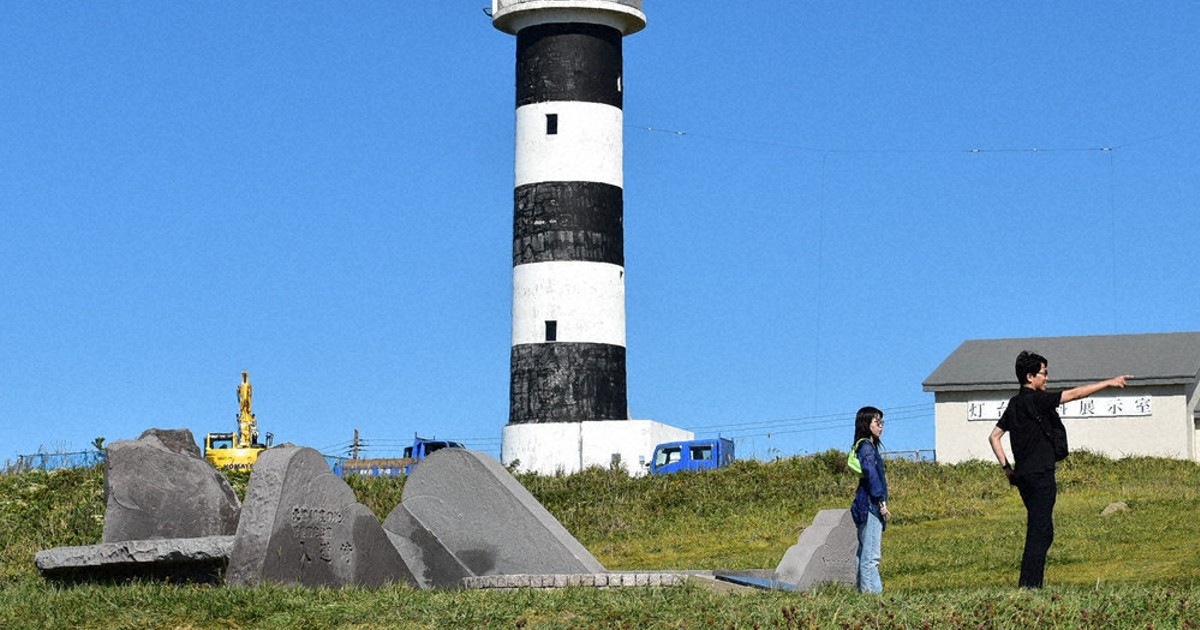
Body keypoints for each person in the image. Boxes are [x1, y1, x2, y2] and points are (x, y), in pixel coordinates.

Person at [988, 350, 1131, 589]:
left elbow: (994, 437)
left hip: (1023, 476)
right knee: (1039, 531)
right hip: (1042, 475)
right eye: (1044, 373)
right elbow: (1074, 394)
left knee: (1043, 530)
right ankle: (1029, 587)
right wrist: (1109, 382)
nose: (1047, 378)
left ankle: (1031, 584)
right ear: (1030, 376)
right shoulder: (1037, 400)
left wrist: (1007, 469)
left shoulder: (1014, 404)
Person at [850, 406, 890, 594]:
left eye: (882, 422)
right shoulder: (866, 446)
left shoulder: (864, 445)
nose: (881, 426)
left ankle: (863, 593)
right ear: (867, 424)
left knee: (864, 552)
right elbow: (870, 471)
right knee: (871, 556)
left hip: (862, 503)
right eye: (877, 422)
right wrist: (880, 499)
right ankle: (872, 597)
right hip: (870, 505)